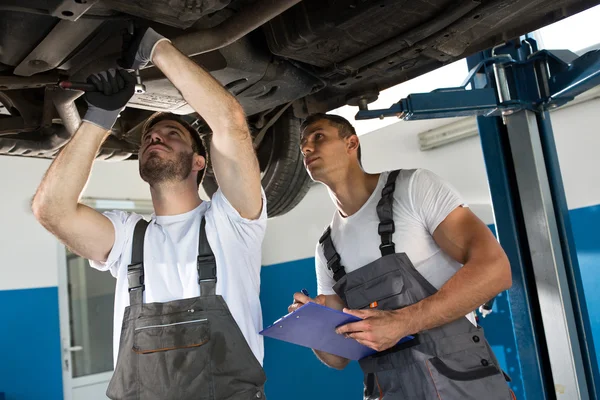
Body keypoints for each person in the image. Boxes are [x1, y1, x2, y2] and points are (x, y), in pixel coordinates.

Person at [32, 27, 267, 400]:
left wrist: (154, 47)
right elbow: (52, 210)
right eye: (148, 138)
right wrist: (100, 117)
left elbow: (230, 123)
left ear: (199, 161)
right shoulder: (128, 237)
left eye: (171, 133)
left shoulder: (231, 223)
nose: (154, 138)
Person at [289, 113, 515, 399]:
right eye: (302, 144)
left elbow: (496, 269)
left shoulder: (412, 188)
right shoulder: (327, 247)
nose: (306, 148)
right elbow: (338, 357)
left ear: (351, 143)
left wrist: (404, 322)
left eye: (317, 137)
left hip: (462, 384)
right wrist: (310, 323)